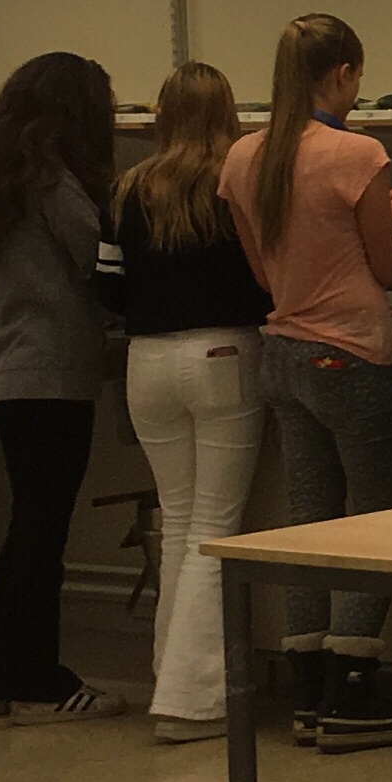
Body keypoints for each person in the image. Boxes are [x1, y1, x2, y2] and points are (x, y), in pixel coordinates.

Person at [222, 14, 392, 751]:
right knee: (377, 517)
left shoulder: (244, 156)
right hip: (350, 352)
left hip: (283, 353)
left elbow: (266, 273)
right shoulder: (357, 152)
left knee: (310, 517)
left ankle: (310, 689)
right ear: (343, 73)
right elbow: (388, 268)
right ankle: (354, 690)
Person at [103, 62, 274, 747]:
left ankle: (168, 681)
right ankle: (194, 702)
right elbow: (267, 276)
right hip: (223, 354)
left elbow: (106, 287)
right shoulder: (237, 182)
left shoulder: (127, 188)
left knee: (176, 525)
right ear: (227, 112)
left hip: (146, 361)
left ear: (163, 114)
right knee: (214, 526)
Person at [0, 52, 120, 720]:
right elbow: (99, 258)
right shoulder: (52, 181)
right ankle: (35, 678)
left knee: (30, 526)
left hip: (7, 369)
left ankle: (6, 674)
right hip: (51, 373)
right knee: (42, 533)